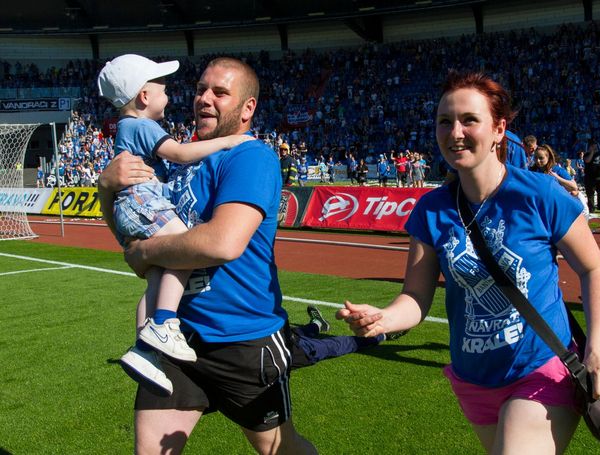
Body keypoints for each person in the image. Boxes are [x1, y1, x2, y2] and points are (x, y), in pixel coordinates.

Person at [338, 71, 600, 454]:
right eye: (444, 121)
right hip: (473, 380)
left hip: (539, 369)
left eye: (469, 120)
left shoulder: (539, 194)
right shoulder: (431, 210)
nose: (455, 132)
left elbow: (593, 269)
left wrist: (597, 350)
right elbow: (416, 298)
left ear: (499, 130)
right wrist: (383, 318)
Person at [98, 57, 317, 454]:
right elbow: (129, 234)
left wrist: (146, 251)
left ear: (247, 108)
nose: (205, 99)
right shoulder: (179, 159)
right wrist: (105, 188)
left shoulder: (250, 156)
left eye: (220, 92)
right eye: (201, 89)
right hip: (177, 336)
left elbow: (221, 243)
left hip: (243, 339)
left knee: (280, 449)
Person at [97, 53, 253, 393]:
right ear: (144, 97)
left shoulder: (127, 127)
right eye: (163, 89)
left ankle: (144, 350)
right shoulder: (142, 125)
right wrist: (232, 140)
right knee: (184, 249)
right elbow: (181, 154)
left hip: (132, 206)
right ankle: (165, 323)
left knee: (156, 275)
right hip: (142, 201)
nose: (171, 95)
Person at [291, 305, 406, 369]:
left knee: (293, 332)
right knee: (335, 344)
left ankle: (318, 324)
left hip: (281, 337)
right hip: (288, 352)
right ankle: (383, 335)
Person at [583, 139, 600, 213]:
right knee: (590, 193)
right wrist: (592, 152)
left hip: (599, 176)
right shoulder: (586, 154)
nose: (595, 147)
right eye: (593, 146)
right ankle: (591, 207)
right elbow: (587, 160)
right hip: (590, 176)